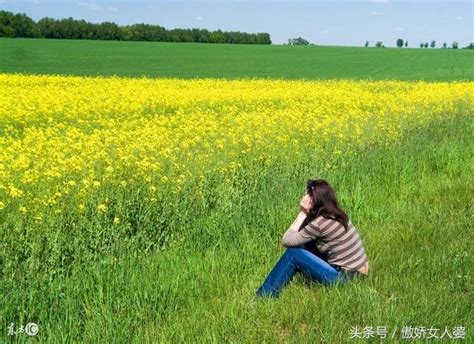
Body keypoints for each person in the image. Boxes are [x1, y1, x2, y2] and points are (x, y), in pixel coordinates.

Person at [255, 179, 369, 298]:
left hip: (344, 279)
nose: (304, 196)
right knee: (306, 244)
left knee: (294, 254)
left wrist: (303, 213)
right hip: (359, 275)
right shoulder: (336, 214)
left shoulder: (320, 223)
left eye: (307, 194)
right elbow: (303, 235)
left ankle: (264, 296)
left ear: (315, 200)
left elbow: (286, 241)